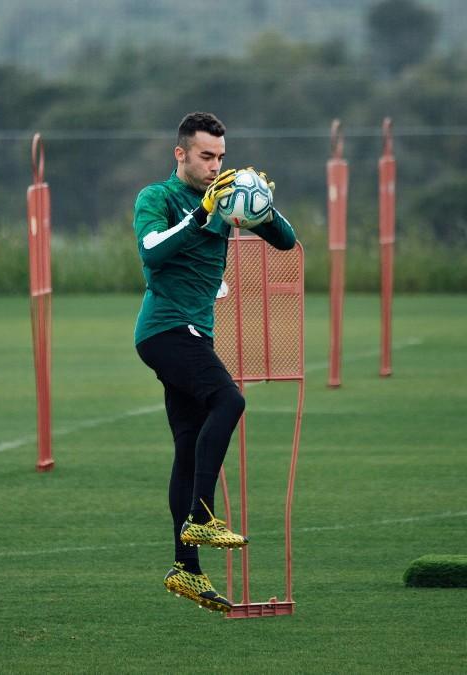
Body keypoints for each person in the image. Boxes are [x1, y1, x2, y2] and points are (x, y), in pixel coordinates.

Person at [132, 111, 297, 613]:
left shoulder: (227, 199)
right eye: (206, 156)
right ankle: (202, 514)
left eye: (221, 157)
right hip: (163, 329)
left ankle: (187, 569)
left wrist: (261, 205)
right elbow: (151, 252)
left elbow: (286, 242)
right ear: (180, 154)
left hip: (194, 335)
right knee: (229, 399)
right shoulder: (156, 198)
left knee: (188, 446)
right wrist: (202, 213)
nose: (215, 166)